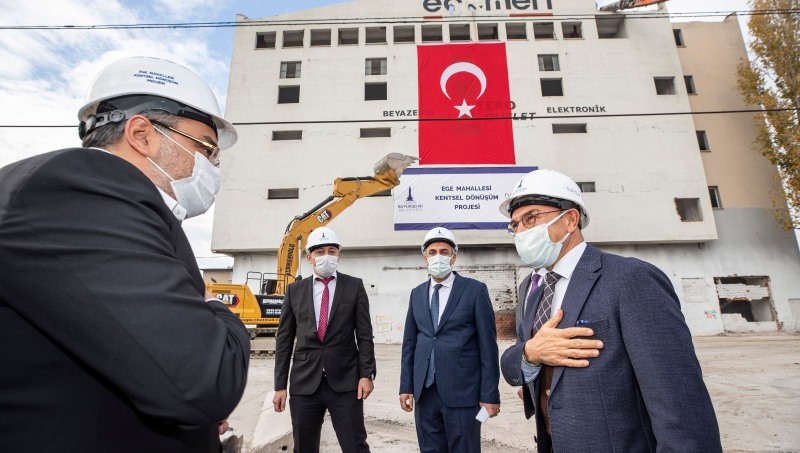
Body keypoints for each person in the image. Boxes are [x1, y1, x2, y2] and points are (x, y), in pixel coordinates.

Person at [0, 56, 250, 452]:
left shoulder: (114, 207)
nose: (213, 166)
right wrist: (215, 307)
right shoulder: (84, 190)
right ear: (142, 134)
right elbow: (206, 381)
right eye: (207, 148)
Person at [499, 169, 722, 452]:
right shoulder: (533, 291)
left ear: (570, 220)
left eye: (531, 218)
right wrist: (530, 354)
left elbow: (678, 398)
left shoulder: (630, 279)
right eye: (515, 224)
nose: (520, 231)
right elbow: (513, 361)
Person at [273, 227, 376, 453]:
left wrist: (366, 375)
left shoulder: (354, 286)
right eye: (319, 252)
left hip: (346, 382)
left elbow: (364, 335)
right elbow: (284, 340)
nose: (326, 256)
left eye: (331, 251)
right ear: (309, 258)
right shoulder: (294, 291)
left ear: (339, 255)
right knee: (304, 447)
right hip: (304, 383)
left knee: (355, 446)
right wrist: (280, 385)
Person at [399, 227, 500, 453]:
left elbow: (488, 347)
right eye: (432, 252)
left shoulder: (475, 290)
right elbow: (409, 345)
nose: (438, 257)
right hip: (425, 393)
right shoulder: (417, 293)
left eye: (444, 252)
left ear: (453, 257)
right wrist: (406, 386)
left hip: (463, 393)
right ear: (425, 258)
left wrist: (490, 394)